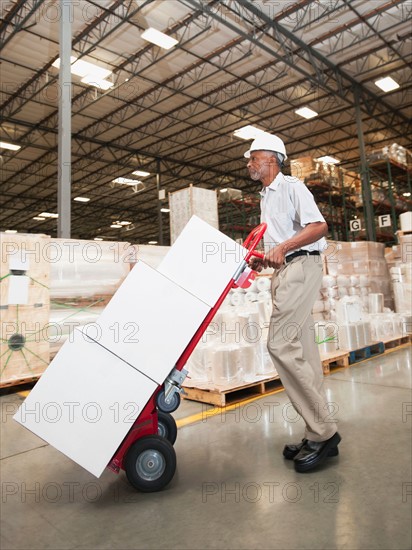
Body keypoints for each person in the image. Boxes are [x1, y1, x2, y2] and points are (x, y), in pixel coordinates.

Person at [245, 133, 341, 473]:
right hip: (285, 270)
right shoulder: (266, 197)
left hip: (301, 266)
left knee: (280, 345)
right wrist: (264, 259)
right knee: (303, 350)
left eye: (253, 157)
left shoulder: (291, 188)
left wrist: (284, 248)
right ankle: (316, 432)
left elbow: (319, 226)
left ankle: (325, 430)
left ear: (272, 158)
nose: (249, 163)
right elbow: (278, 239)